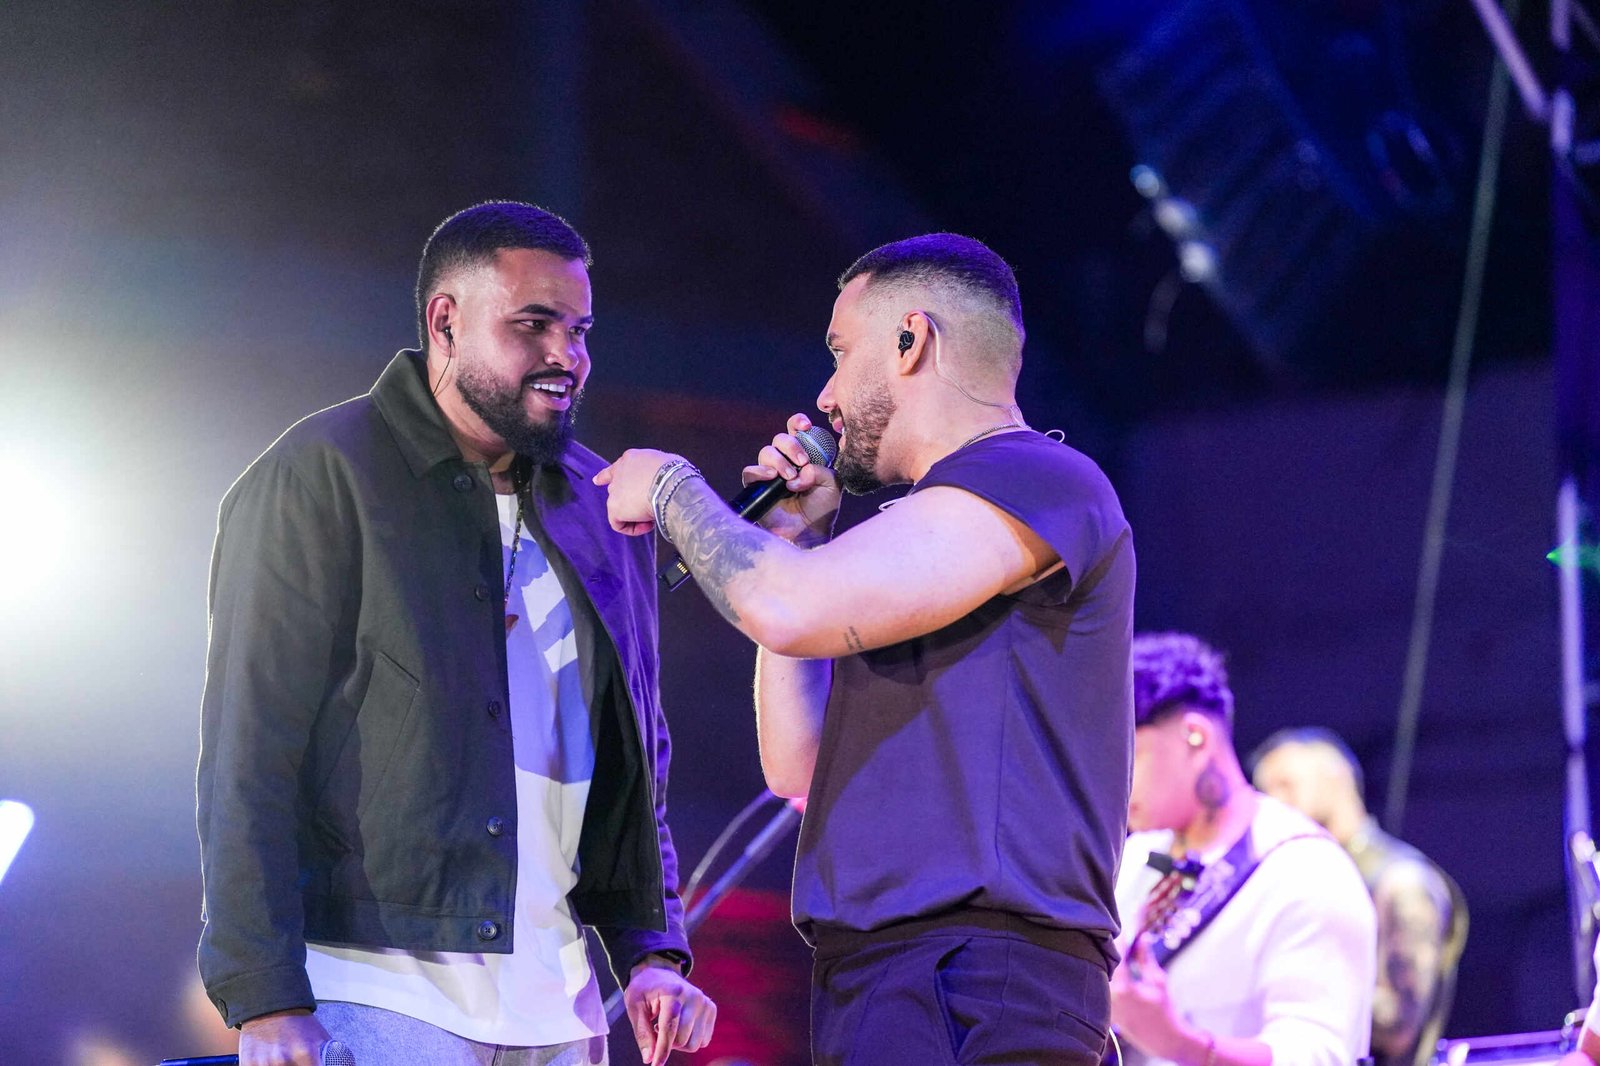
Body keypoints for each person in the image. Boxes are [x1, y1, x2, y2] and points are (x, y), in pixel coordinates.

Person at [595, 233, 1135, 1064]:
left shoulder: (1035, 479)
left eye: (842, 352)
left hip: (977, 972)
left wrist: (672, 490)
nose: (826, 394)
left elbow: (787, 605)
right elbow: (797, 766)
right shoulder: (919, 538)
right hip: (883, 975)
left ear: (911, 340)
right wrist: (797, 544)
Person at [197, 201, 715, 1066]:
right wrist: (264, 994)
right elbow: (248, 747)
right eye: (534, 324)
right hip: (373, 988)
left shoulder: (603, 502)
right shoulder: (324, 475)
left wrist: (652, 953)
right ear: (446, 322)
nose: (567, 355)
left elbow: (636, 755)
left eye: (580, 330)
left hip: (562, 1009)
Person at [1110, 633, 1375, 1066]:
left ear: (1195, 737)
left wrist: (1180, 1043)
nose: (1111, 781)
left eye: (1128, 755)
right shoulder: (1136, 859)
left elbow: (1319, 1056)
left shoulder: (1306, 871)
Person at [1251, 728, 1469, 1066]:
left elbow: (1399, 1026)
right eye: (1266, 792)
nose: (1275, 802)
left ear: (1337, 777)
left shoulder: (1401, 881)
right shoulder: (1297, 878)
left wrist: (1279, 989)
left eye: (1286, 784)